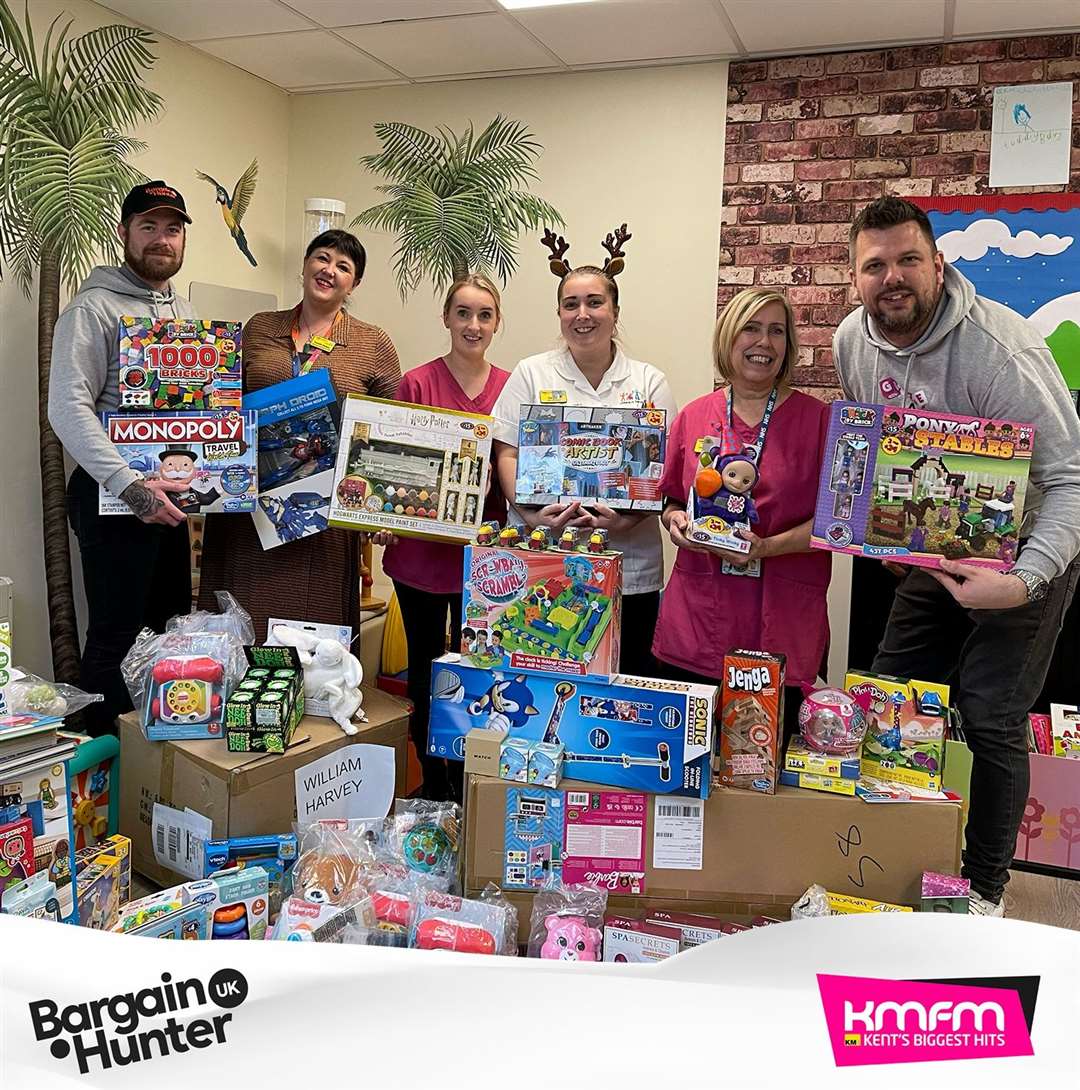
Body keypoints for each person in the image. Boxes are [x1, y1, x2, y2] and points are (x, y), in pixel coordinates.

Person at [835, 196, 1080, 917]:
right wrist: (883, 533)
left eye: (908, 259)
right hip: (936, 551)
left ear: (939, 265)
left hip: (1028, 552)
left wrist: (1026, 581)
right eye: (874, 266)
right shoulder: (854, 341)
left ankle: (985, 892)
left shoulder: (999, 350)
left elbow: (1069, 480)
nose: (893, 278)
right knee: (888, 693)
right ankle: (886, 857)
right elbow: (879, 446)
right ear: (855, 280)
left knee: (990, 713)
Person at [197, 230, 400, 640]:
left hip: (323, 516)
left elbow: (390, 429)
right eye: (322, 258)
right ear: (305, 264)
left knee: (314, 635)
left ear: (354, 283)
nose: (329, 270)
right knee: (241, 624)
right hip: (248, 508)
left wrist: (386, 510)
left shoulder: (372, 342)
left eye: (343, 267)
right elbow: (220, 400)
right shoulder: (259, 328)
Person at [48, 181, 197, 736]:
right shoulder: (92, 308)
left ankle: (153, 764)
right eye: (149, 226)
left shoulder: (183, 307)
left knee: (166, 631)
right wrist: (128, 486)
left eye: (173, 228)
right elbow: (67, 407)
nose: (162, 239)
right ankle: (105, 777)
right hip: (115, 496)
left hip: (168, 498)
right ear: (124, 233)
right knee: (114, 634)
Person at [491, 231, 677, 677]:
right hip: (544, 559)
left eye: (594, 302)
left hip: (630, 569)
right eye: (570, 304)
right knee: (542, 668)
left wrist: (627, 520)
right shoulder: (531, 373)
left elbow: (661, 470)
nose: (582, 314)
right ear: (559, 313)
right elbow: (507, 453)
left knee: (624, 682)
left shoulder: (649, 382)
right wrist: (533, 517)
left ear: (615, 312)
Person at [653, 288, 831, 722]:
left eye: (777, 331)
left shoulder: (821, 421)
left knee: (771, 767)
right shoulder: (693, 416)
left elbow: (837, 523)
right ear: (728, 338)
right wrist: (676, 522)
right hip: (699, 617)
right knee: (690, 769)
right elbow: (672, 500)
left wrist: (766, 548)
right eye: (750, 328)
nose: (763, 343)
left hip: (785, 618)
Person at [378, 274, 511, 802]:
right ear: (446, 319)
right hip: (421, 558)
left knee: (484, 671)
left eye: (484, 315)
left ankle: (475, 783)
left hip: (488, 561)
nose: (472, 325)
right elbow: (392, 462)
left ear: (497, 322)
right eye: (462, 313)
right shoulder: (417, 383)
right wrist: (379, 510)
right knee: (429, 668)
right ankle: (435, 785)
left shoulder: (512, 385)